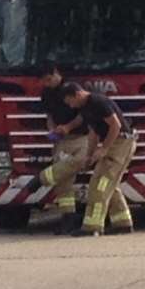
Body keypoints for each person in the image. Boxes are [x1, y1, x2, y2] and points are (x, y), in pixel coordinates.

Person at [57, 81, 136, 236]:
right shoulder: (85, 108)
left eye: (71, 102)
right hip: (114, 143)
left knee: (99, 184)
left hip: (120, 143)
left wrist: (104, 149)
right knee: (110, 185)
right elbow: (93, 133)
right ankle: (123, 223)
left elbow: (116, 125)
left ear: (78, 94)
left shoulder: (98, 102)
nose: (71, 106)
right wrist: (89, 155)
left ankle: (92, 227)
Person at [35, 64, 89, 228]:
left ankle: (41, 179)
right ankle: (68, 217)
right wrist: (52, 130)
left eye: (49, 79)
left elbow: (83, 115)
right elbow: (50, 115)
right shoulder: (46, 93)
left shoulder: (74, 87)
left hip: (81, 136)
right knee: (63, 182)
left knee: (77, 163)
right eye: (44, 81)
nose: (47, 83)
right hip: (62, 140)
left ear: (56, 73)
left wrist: (67, 127)